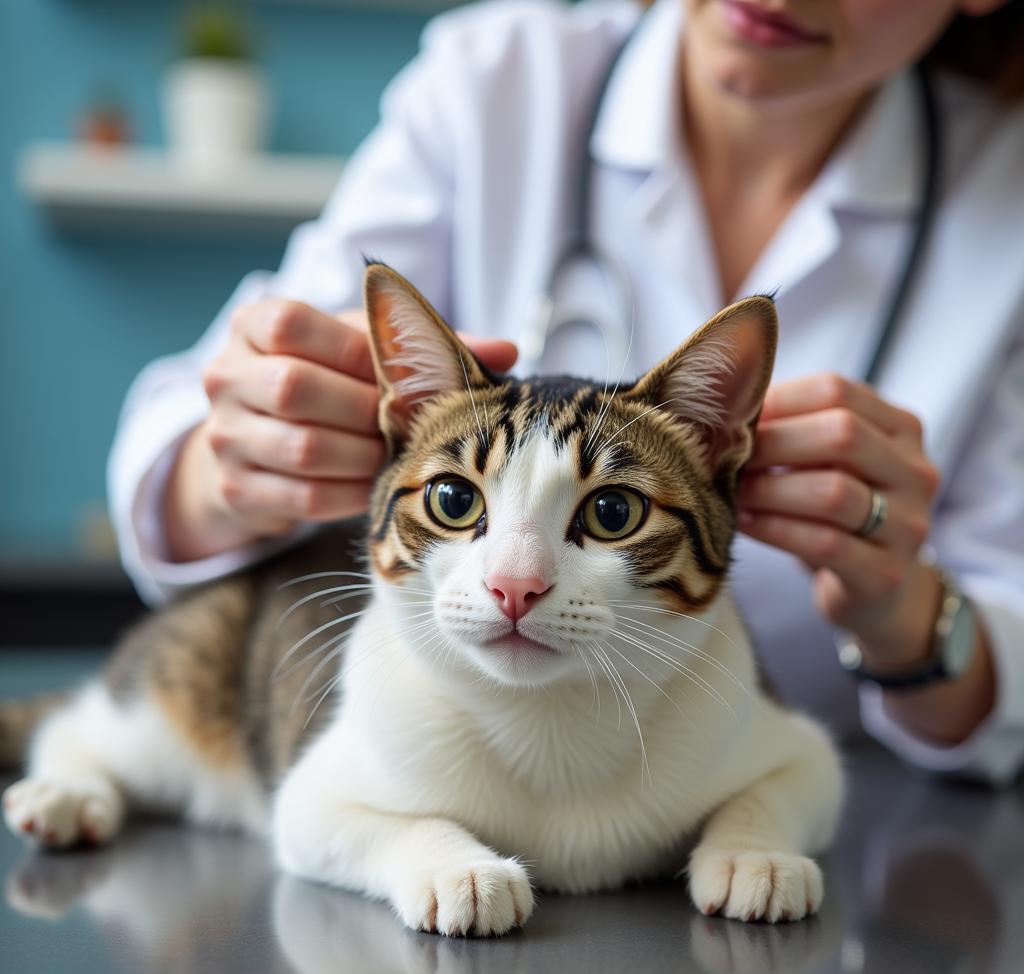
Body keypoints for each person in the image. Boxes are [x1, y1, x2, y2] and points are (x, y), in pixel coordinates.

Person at [108, 0, 1024, 784]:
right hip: (453, 785)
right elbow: (171, 446)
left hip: (810, 834)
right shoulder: (498, 80)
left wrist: (909, 613)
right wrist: (242, 458)